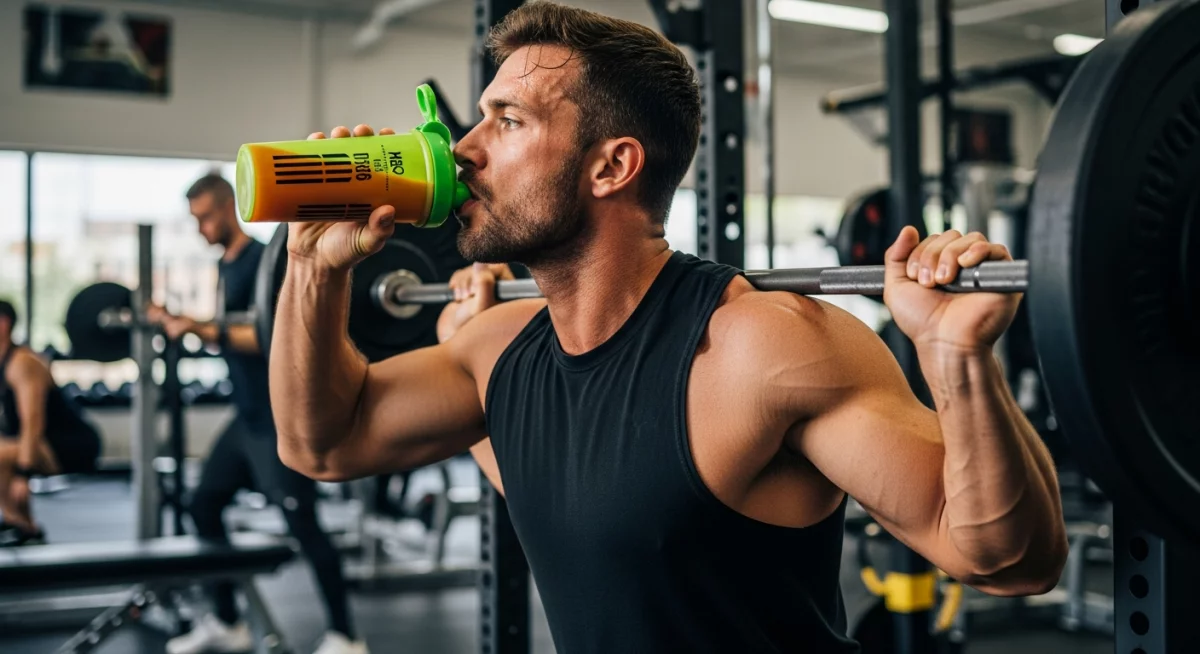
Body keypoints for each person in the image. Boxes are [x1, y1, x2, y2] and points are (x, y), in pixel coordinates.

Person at [270, 3, 1069, 652]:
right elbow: (324, 442)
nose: (464, 149)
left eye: (506, 122)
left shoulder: (764, 347)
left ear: (611, 167)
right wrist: (315, 268)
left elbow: (1006, 558)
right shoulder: (495, 349)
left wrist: (955, 357)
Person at [153, 174, 367, 654]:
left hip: (279, 417)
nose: (202, 228)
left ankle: (347, 636)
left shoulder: (259, 262)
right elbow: (231, 330)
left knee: (303, 525)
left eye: (206, 217)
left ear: (230, 207)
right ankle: (229, 622)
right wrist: (183, 324)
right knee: (203, 503)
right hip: (246, 416)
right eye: (196, 220)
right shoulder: (225, 267)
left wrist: (201, 330)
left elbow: (269, 336)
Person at [0, 300, 102, 547]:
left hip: (71, 444)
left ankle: (20, 523)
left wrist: (23, 476)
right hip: (39, 443)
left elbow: (33, 422)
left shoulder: (22, 362)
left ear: (3, 324)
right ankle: (22, 525)